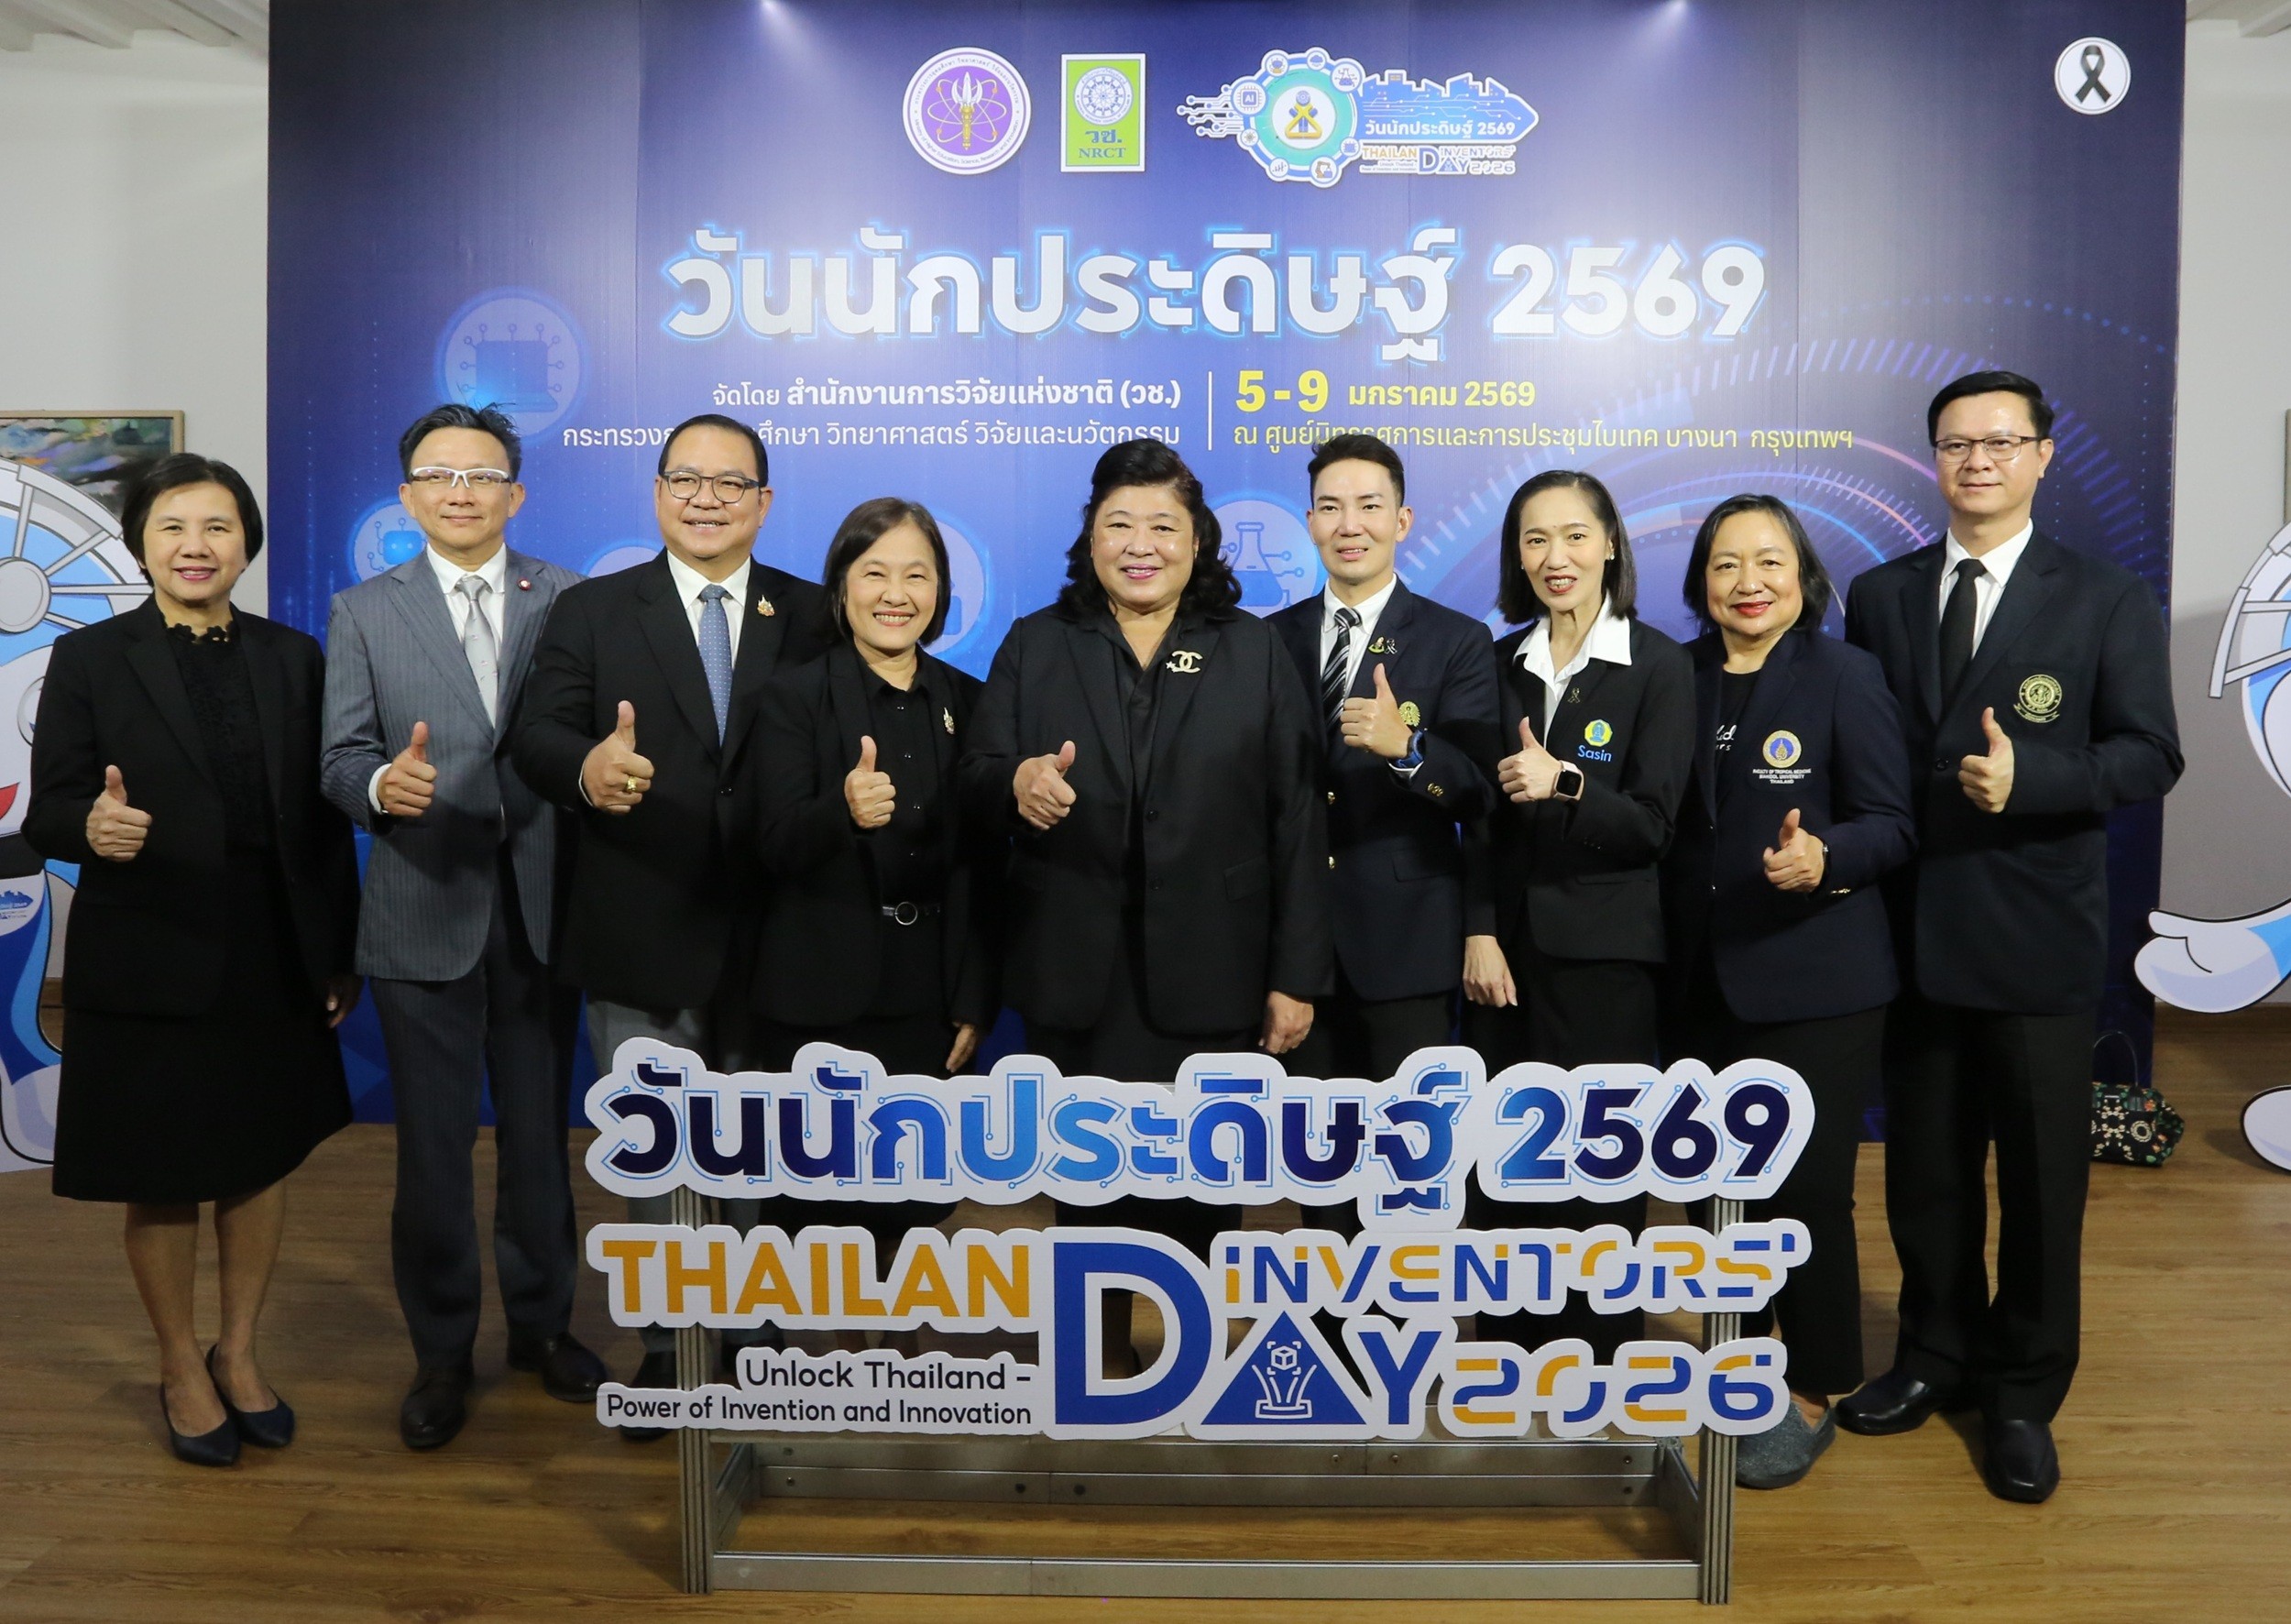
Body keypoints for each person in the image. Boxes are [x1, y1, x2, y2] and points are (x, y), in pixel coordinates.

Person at [1839, 370, 2182, 1502]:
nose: (1976, 460)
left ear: (2042, 454)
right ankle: (1932, 1354)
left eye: (1999, 441)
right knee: (1926, 1170)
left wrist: (2032, 777)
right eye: (1955, 443)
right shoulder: (1880, 594)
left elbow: (2149, 753)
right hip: (1909, 931)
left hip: (2033, 931)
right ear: (1932, 458)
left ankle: (2025, 1390)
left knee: (2040, 1181)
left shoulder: (2103, 597)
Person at [957, 438, 1331, 1374]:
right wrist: (1017, 783)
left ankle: (1188, 1363)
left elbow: (1296, 818)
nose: (1140, 544)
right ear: (1089, 536)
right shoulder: (1038, 642)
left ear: (1197, 540)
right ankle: (1095, 1359)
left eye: (1163, 525)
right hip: (1075, 964)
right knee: (1085, 1183)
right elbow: (976, 774)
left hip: (1215, 964)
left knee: (1201, 1180)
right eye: (1118, 523)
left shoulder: (1252, 648)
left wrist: (1294, 974)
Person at [26, 455, 360, 1466]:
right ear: (141, 543)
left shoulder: (294, 656)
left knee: (262, 1157)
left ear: (247, 543)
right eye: (172, 526)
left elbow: (320, 821)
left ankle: (240, 1351)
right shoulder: (90, 658)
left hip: (272, 946)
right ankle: (179, 1363)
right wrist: (90, 827)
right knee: (161, 1171)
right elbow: (49, 810)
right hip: (149, 949)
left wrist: (335, 952)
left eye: (217, 526)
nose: (195, 546)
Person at [512, 412, 827, 1423]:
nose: (705, 499)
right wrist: (586, 768)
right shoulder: (593, 610)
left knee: (765, 1143)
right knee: (660, 1149)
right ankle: (670, 1341)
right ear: (655, 493)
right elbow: (535, 736)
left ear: (763, 504)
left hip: (780, 932)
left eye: (730, 484)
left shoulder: (814, 613)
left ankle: (760, 1330)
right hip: (638, 924)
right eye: (685, 479)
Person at [321, 404, 597, 1452]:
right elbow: (339, 756)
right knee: (432, 1151)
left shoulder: (568, 597)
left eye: (481, 474)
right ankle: (440, 1351)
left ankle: (542, 1326)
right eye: (438, 474)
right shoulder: (362, 611)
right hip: (420, 901)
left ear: (515, 493)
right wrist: (378, 785)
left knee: (539, 1139)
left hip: (541, 903)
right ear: (407, 496)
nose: (461, 491)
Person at [1660, 494, 1916, 1488]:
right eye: (1726, 564)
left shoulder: (1845, 675)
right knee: (1710, 1185)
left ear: (1801, 575)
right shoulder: (1672, 674)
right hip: (1695, 980)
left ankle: (1816, 1384)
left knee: (1804, 1192)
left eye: (1768, 561)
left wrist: (1827, 857)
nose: (1748, 582)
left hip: (1817, 978)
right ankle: (1743, 1349)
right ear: (1702, 582)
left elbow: (1892, 822)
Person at [748, 498, 998, 1336]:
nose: (896, 594)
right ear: (841, 586)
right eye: (875, 573)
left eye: (917, 576)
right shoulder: (792, 697)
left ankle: (895, 1354)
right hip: (819, 991)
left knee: (915, 1198)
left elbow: (985, 869)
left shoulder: (970, 700)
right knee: (816, 1203)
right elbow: (769, 844)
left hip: (929, 994)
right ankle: (824, 1365)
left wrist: (974, 995)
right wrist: (841, 812)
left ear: (941, 592)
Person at [1461, 469, 1693, 1361]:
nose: (1554, 556)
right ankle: (1508, 1350)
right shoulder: (1497, 663)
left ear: (1609, 545)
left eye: (1573, 536)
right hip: (1504, 957)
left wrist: (1567, 783)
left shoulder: (1658, 665)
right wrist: (1479, 927)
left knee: (1597, 1162)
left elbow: (1653, 826)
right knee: (1504, 1160)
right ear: (1517, 557)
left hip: (1606, 956)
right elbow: (1478, 818)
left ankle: (1593, 1354)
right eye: (1534, 539)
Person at [1269, 433, 1500, 1092]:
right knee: (1308, 1142)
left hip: (1407, 945)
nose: (1350, 526)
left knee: (1410, 1141)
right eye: (1331, 508)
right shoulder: (1265, 640)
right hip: (1293, 948)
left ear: (1402, 521)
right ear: (1310, 522)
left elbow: (1479, 793)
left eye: (1369, 506)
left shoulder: (1457, 639)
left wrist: (1409, 748)